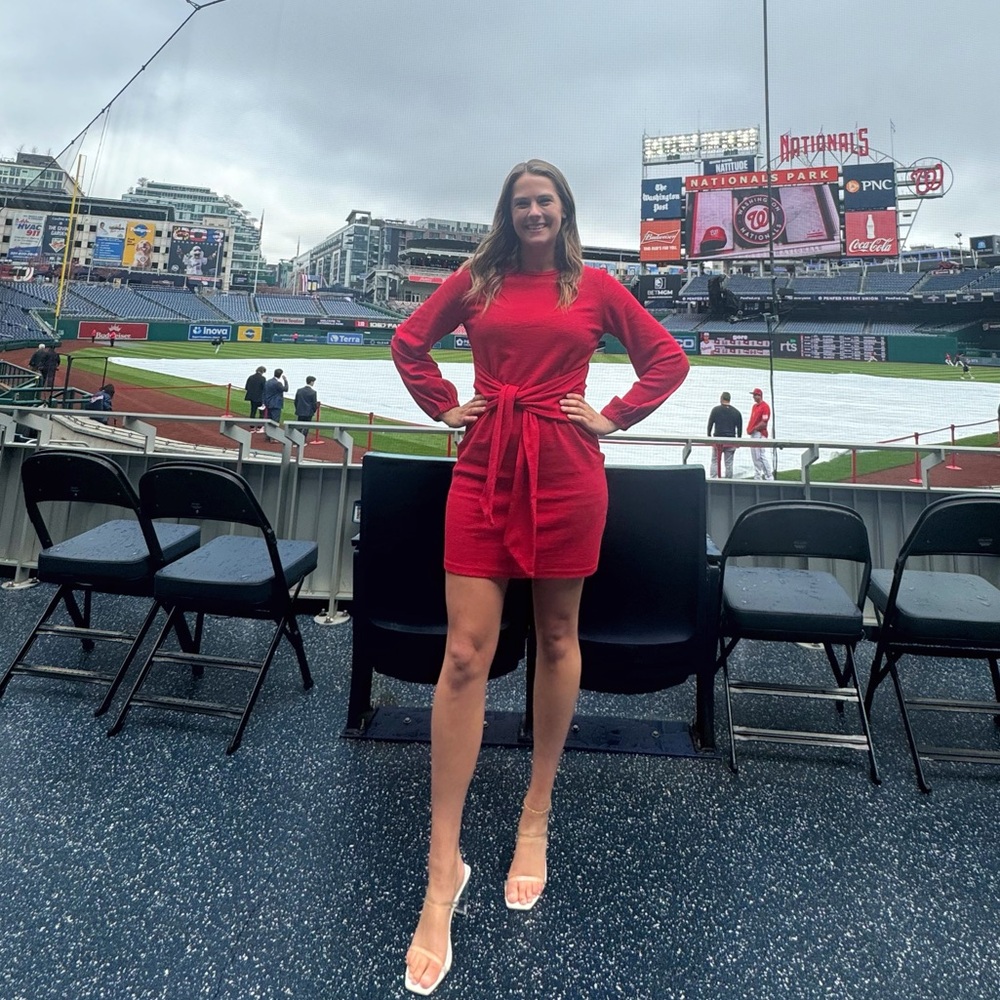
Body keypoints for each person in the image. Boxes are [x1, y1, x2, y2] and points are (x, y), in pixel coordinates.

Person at [392, 158, 689, 995]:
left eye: (544, 201)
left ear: (563, 211)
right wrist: (444, 403)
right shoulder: (476, 280)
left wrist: (613, 416)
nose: (533, 212)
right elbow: (408, 343)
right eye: (522, 202)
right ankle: (442, 869)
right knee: (463, 655)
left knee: (559, 637)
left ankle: (536, 813)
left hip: (566, 471)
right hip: (484, 468)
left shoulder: (594, 286)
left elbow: (666, 360)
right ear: (508, 212)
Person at [706, 391, 742, 478]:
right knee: (729, 463)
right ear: (729, 399)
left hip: (717, 440)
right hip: (731, 441)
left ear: (721, 399)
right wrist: (739, 440)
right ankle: (728, 480)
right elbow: (739, 428)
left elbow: (710, 424)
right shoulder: (736, 412)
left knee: (715, 461)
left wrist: (709, 436)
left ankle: (714, 478)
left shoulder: (715, 410)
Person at [748, 387, 773, 480]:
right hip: (753, 434)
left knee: (760, 456)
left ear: (760, 396)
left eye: (755, 395)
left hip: (760, 434)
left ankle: (769, 476)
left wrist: (754, 428)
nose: (753, 397)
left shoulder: (765, 407)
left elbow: (764, 423)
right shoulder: (754, 406)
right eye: (753, 395)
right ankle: (758, 475)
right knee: (755, 456)